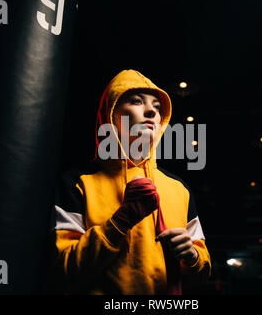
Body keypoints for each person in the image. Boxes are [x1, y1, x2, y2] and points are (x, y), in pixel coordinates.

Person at [49, 69, 211, 294]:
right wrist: (119, 223)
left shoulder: (178, 189)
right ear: (111, 113)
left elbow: (203, 273)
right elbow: (62, 271)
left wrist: (192, 256)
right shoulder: (78, 183)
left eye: (157, 106)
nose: (151, 111)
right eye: (136, 101)